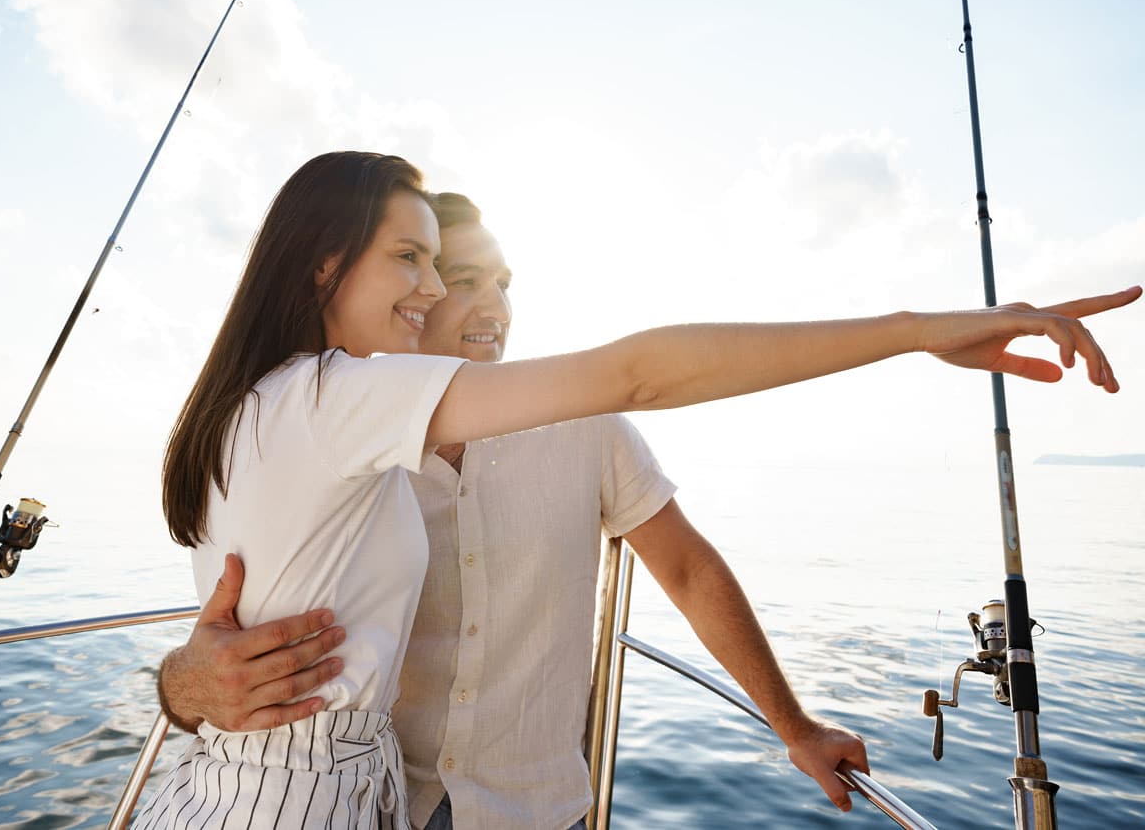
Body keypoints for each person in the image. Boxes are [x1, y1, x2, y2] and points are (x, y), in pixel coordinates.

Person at [135, 150, 1138, 830]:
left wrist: (792, 725)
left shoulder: (279, 403)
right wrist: (918, 328)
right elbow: (638, 369)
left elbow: (686, 561)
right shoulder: (336, 401)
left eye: (462, 272)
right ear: (320, 265)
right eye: (418, 263)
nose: (446, 295)